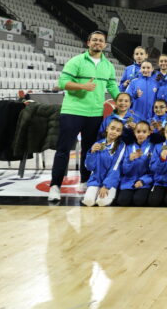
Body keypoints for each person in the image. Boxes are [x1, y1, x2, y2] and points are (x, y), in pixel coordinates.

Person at [48, 30, 120, 203]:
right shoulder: (76, 61)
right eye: (94, 40)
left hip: (95, 113)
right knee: (64, 149)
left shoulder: (108, 65)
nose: (97, 43)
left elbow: (111, 86)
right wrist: (82, 86)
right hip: (73, 111)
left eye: (100, 41)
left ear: (105, 45)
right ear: (88, 42)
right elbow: (63, 83)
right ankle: (55, 186)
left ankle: (85, 181)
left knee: (89, 149)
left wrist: (122, 101)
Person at [81, 118, 126, 207]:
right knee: (88, 201)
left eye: (118, 130)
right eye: (112, 128)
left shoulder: (121, 146)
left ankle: (111, 192)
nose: (114, 132)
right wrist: (92, 152)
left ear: (120, 133)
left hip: (110, 182)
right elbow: (89, 167)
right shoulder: (98, 143)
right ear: (107, 128)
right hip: (95, 181)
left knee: (102, 202)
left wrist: (106, 186)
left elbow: (115, 168)